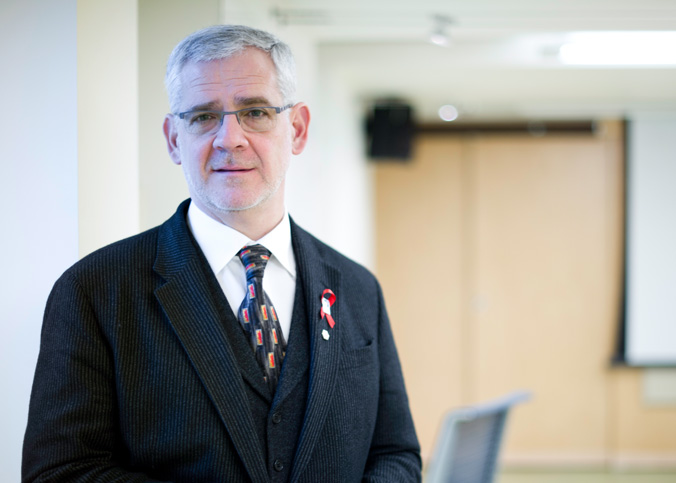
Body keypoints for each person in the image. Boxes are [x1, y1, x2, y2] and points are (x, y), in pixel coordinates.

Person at [22, 24, 421, 482]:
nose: (229, 138)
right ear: (174, 139)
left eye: (255, 112)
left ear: (297, 129)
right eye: (203, 117)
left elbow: (396, 454)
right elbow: (59, 472)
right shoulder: (95, 290)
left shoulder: (356, 288)